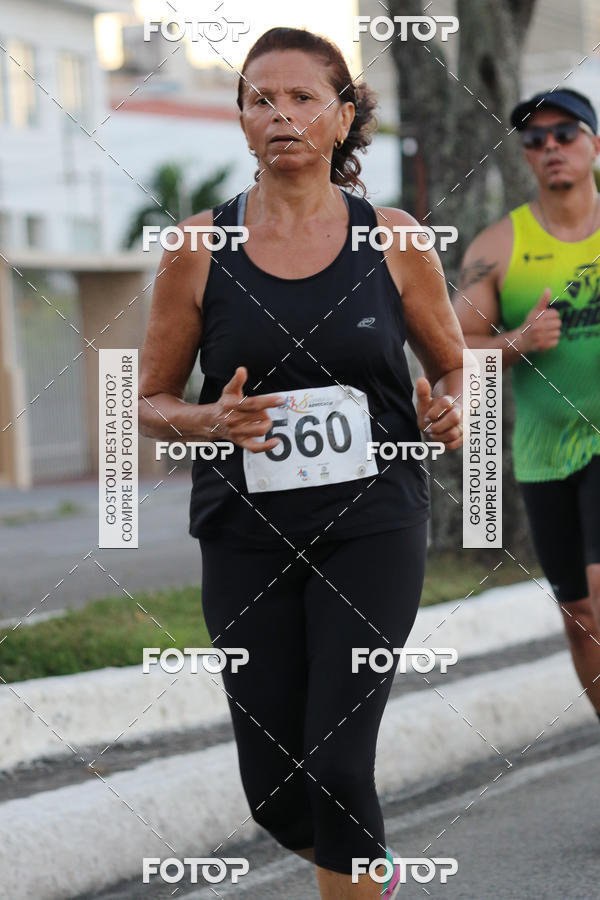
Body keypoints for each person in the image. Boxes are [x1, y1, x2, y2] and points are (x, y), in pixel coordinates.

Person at [138, 26, 465, 899]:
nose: (279, 114)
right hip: (245, 536)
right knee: (278, 795)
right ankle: (374, 873)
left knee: (337, 763)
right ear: (241, 121)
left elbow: (455, 365)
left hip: (373, 523)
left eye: (301, 97)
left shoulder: (394, 241)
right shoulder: (196, 247)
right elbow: (146, 400)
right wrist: (209, 419)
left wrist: (452, 408)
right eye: (260, 99)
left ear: (344, 114)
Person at [454, 88, 600, 724]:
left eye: (565, 133)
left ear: (594, 143)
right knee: (580, 617)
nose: (550, 149)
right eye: (535, 140)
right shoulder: (498, 246)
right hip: (542, 454)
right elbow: (452, 347)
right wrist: (516, 341)